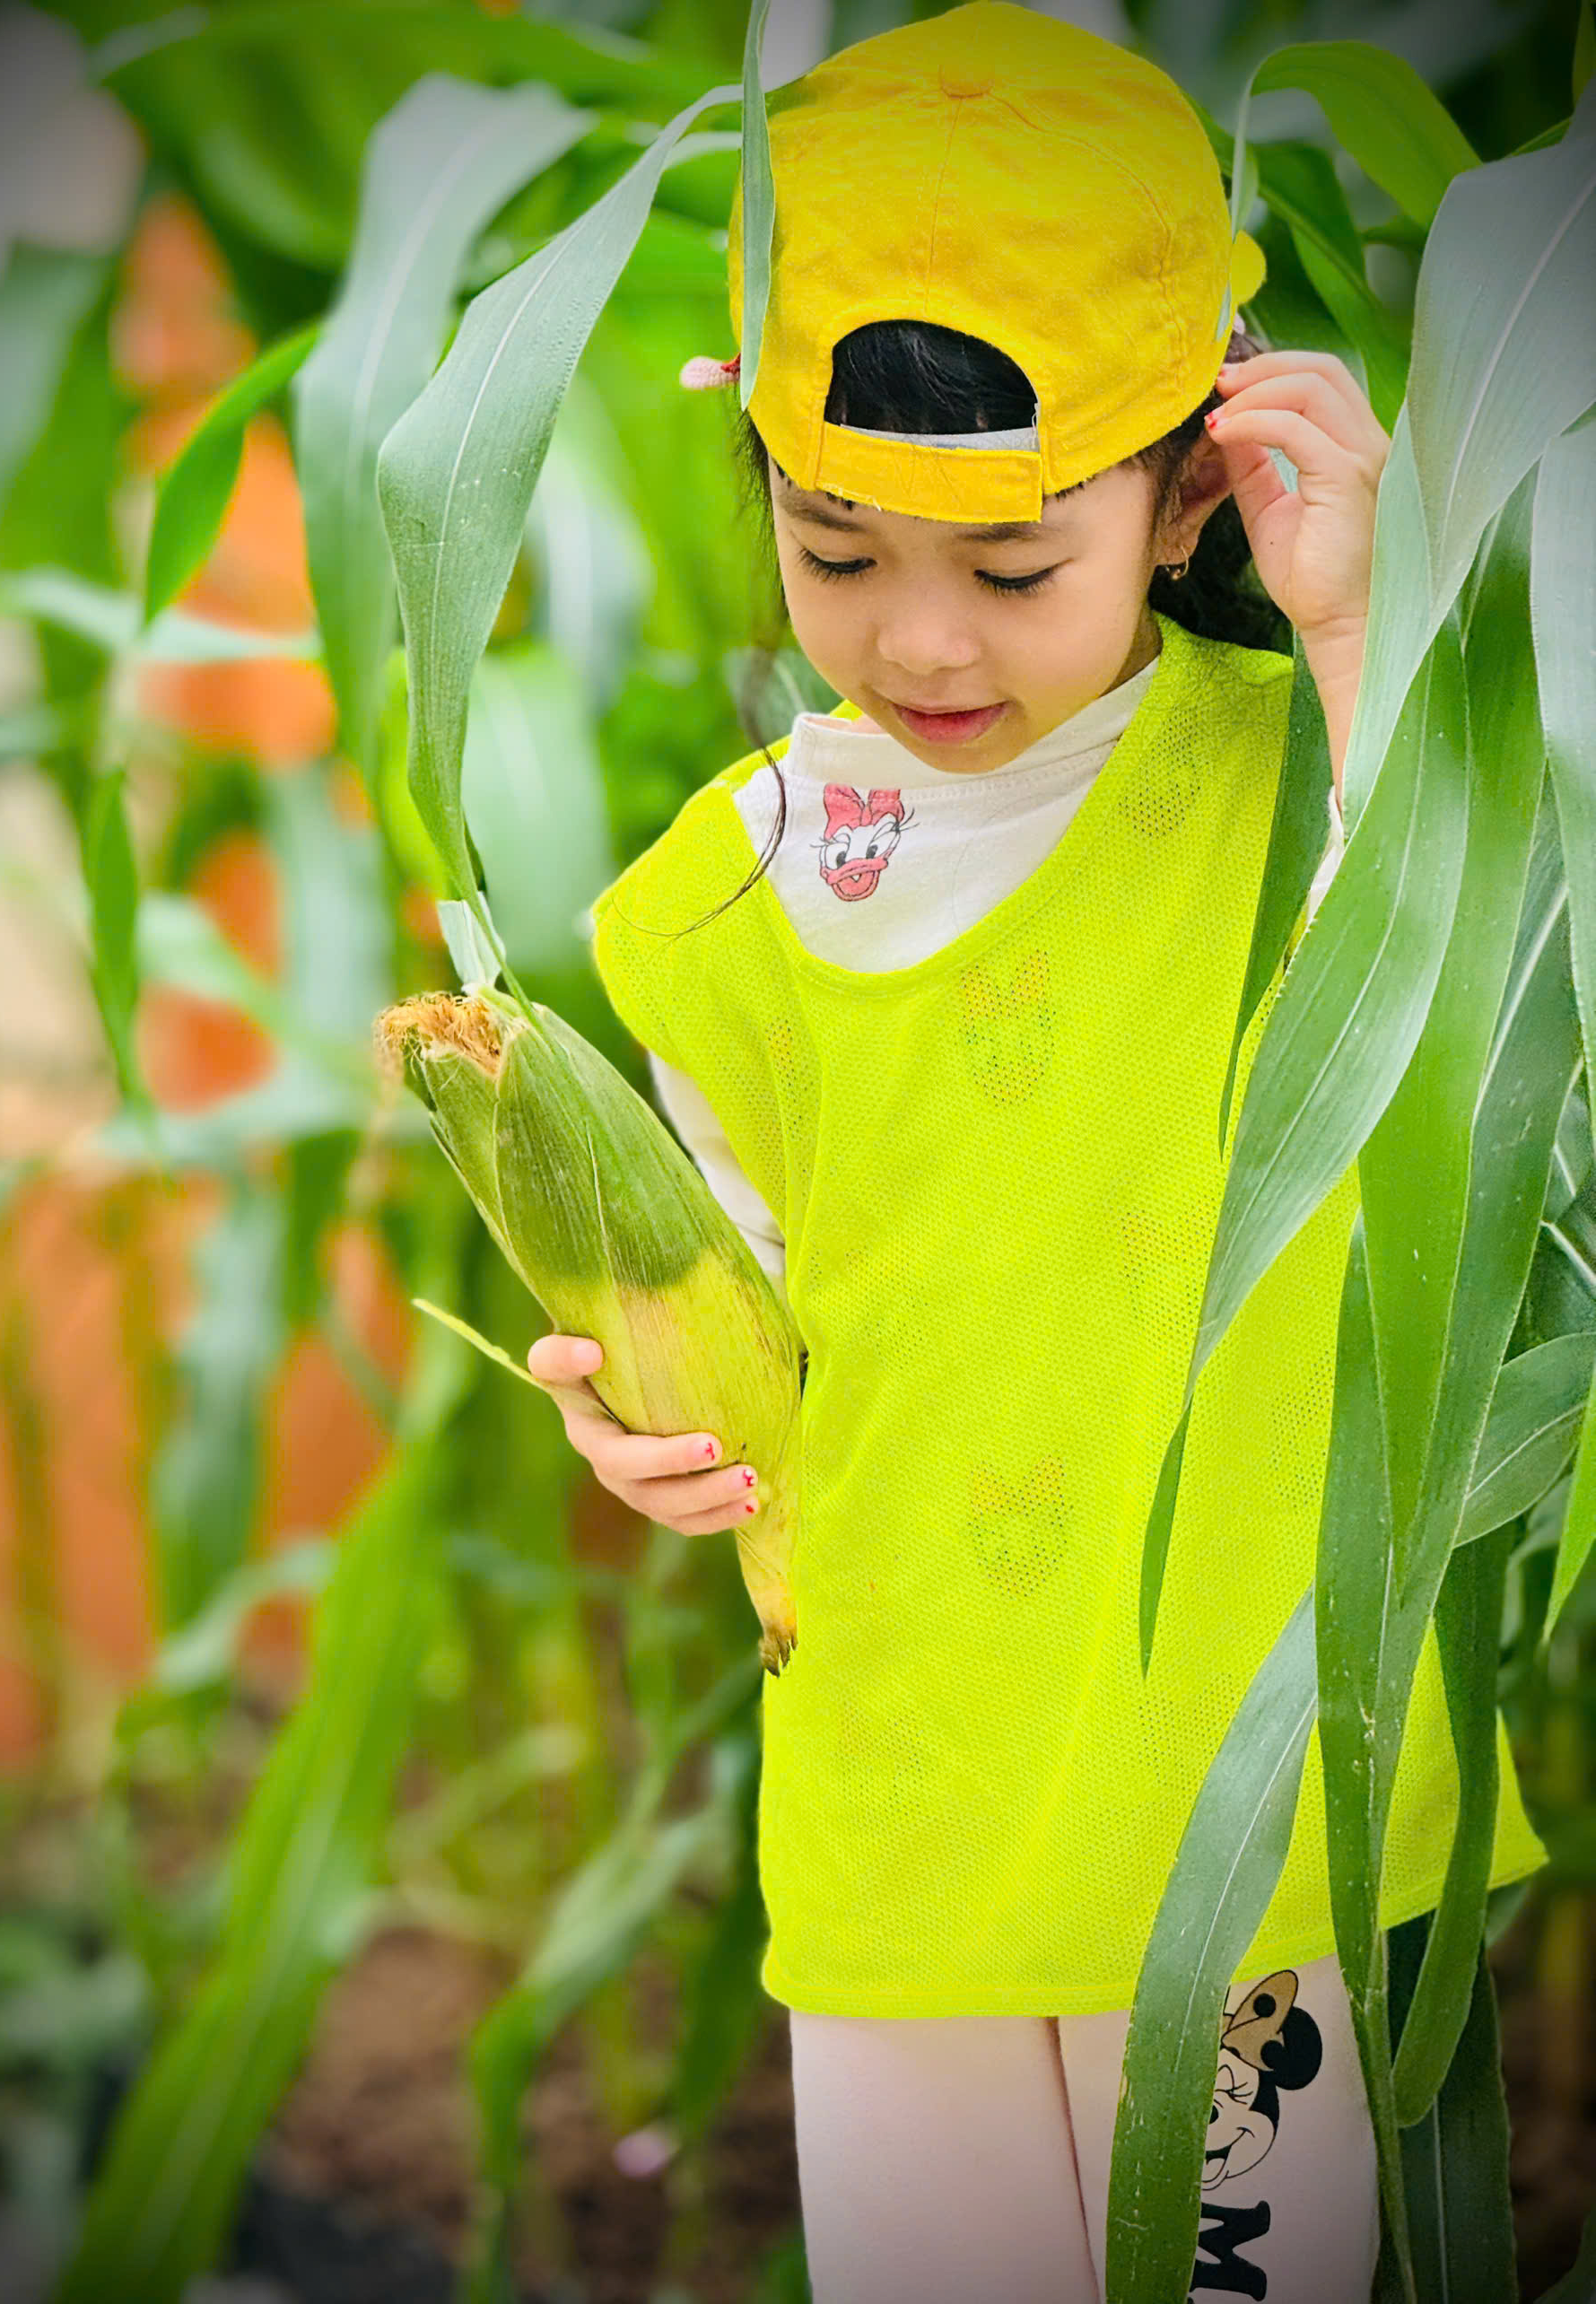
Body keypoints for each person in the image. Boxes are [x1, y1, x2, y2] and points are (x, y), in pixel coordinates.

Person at [527, 7, 1547, 2297]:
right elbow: (742, 1306)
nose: (917, 638)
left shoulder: (1312, 777)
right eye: (834, 547)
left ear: (1189, 495)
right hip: (909, 1785)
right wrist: (644, 1424)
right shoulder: (713, 903)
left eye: (1010, 570)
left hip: (1239, 1797)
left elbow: (1462, 1031)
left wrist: (1363, 625)